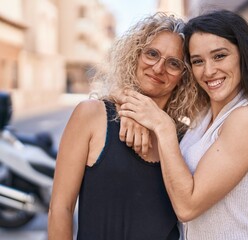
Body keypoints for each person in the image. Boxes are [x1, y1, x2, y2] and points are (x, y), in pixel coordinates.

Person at [118, 10, 248, 240]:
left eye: (219, 56)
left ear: (243, 55)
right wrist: (129, 110)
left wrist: (163, 126)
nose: (208, 71)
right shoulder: (203, 113)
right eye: (198, 61)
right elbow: (144, 92)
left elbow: (186, 207)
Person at [48, 12, 203, 240]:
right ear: (136, 55)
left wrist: (159, 122)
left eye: (174, 63)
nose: (159, 68)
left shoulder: (184, 136)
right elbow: (60, 210)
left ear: (184, 75)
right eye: (152, 54)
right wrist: (129, 103)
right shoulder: (92, 115)